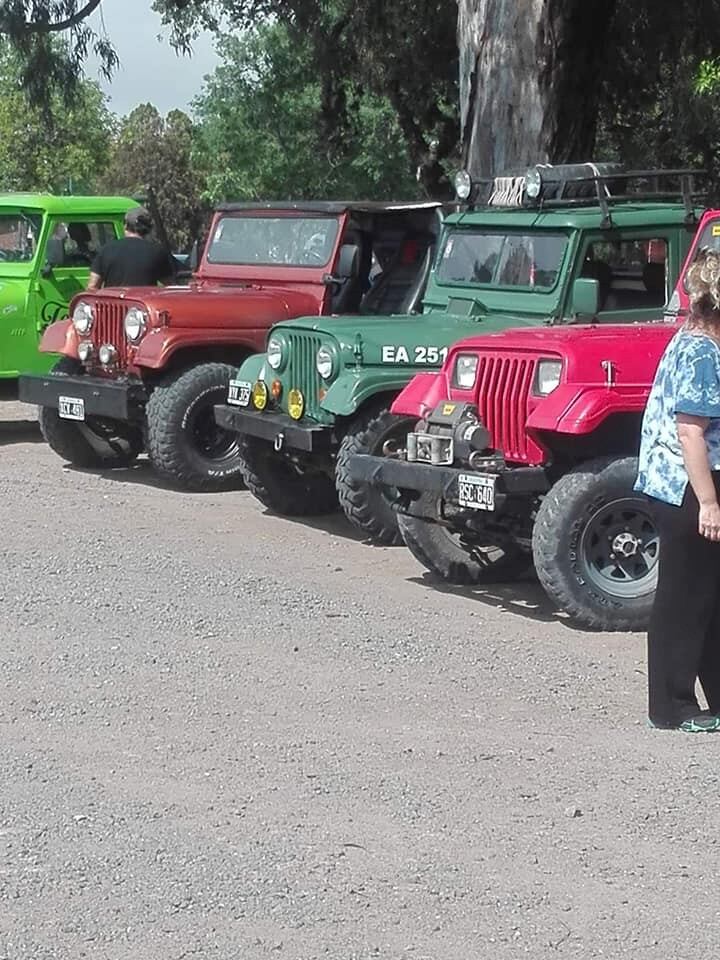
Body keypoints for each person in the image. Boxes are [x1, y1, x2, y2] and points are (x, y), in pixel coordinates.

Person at [635, 247, 720, 732]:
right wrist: (708, 502)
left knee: (711, 596)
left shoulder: (695, 339)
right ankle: (671, 707)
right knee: (685, 598)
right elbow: (691, 432)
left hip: (692, 483)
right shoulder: (701, 352)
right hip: (689, 487)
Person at [88, 207, 176, 290]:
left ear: (125, 226)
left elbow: (92, 287)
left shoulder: (106, 250)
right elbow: (170, 285)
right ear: (149, 228)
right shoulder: (158, 252)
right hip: (141, 305)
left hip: (114, 305)